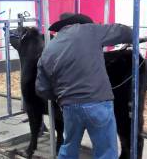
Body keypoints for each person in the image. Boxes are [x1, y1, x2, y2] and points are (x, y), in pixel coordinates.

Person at [35, 13, 133, 159]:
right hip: (97, 102)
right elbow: (125, 32)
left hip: (69, 106)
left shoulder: (49, 49)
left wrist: (60, 96)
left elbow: (41, 89)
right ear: (81, 23)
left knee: (69, 147)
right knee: (105, 151)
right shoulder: (90, 30)